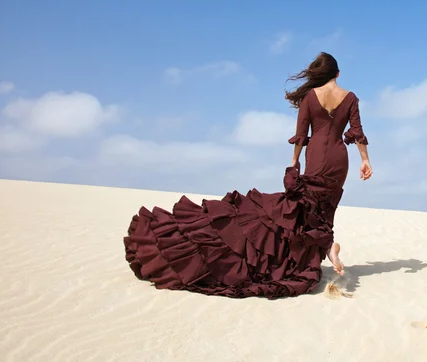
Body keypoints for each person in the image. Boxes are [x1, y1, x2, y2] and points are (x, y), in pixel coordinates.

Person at [123, 52, 372, 299]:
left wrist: (294, 164)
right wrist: (365, 160)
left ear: (319, 74)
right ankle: (328, 246)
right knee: (325, 206)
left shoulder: (310, 96)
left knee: (305, 205)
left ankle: (328, 246)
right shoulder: (350, 98)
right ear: (338, 74)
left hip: (317, 156)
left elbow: (300, 136)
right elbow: (358, 133)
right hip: (340, 161)